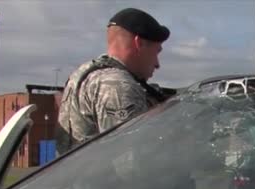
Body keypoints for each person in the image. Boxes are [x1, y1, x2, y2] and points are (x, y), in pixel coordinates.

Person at [56, 8, 171, 155]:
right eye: (157, 52)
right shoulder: (117, 86)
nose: (157, 64)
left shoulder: (83, 73)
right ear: (139, 43)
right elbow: (132, 164)